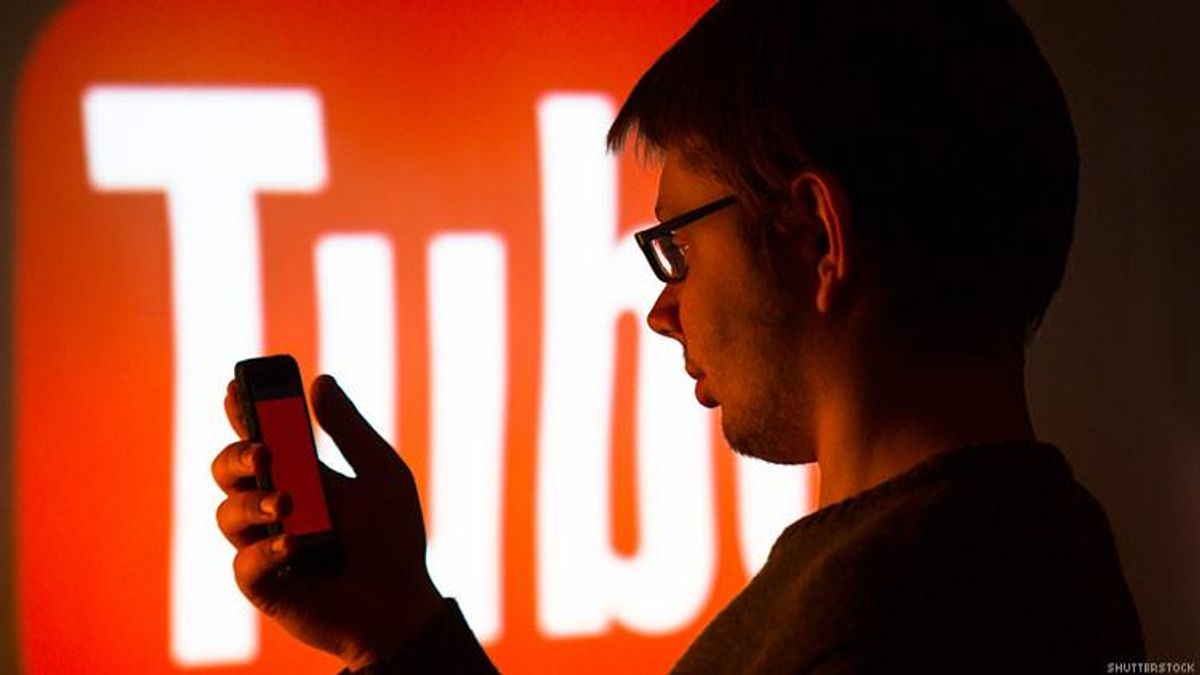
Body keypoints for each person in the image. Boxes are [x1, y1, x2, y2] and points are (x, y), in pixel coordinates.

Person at [211, 0, 1145, 671]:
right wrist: (398, 624)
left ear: (816, 234)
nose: (663, 311)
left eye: (678, 250)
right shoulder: (1035, 551)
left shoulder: (871, 622)